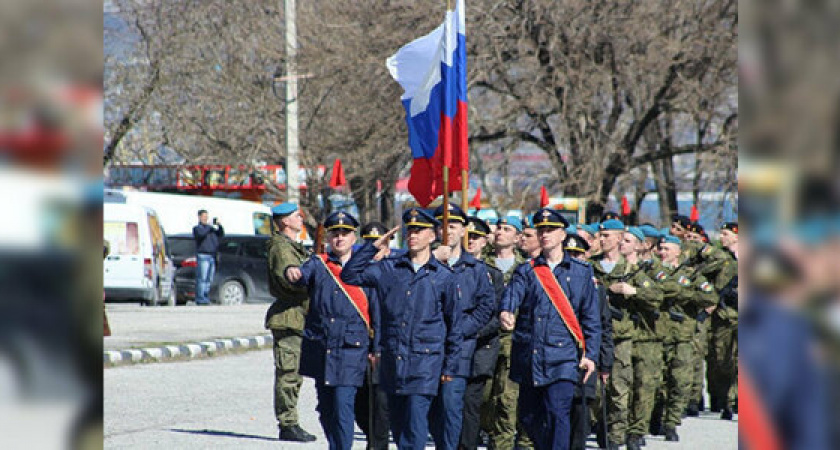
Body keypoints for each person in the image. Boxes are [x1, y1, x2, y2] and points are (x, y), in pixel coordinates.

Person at [341, 208, 462, 450]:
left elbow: (454, 327)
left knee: (414, 431)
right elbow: (350, 275)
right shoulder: (389, 269)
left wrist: (449, 367)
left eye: (419, 230)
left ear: (432, 236)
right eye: (410, 230)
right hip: (393, 363)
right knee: (398, 429)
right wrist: (373, 246)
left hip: (425, 364)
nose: (413, 235)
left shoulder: (444, 277)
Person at [500, 208, 601, 450]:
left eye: (551, 230)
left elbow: (591, 318)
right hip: (531, 354)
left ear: (563, 234)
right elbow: (512, 295)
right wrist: (506, 311)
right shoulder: (527, 270)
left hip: (563, 356)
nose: (545, 234)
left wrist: (591, 355)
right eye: (541, 229)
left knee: (558, 413)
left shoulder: (581, 272)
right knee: (528, 416)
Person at [285, 211, 376, 450]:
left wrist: (377, 347)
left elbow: (376, 310)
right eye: (335, 233)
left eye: (345, 233)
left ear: (354, 237)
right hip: (322, 348)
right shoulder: (319, 263)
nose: (339, 238)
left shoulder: (366, 268)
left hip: (350, 349)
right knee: (325, 409)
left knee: (342, 405)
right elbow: (301, 276)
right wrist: (292, 273)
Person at [429, 204, 496, 450]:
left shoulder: (475, 269)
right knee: (432, 413)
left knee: (452, 409)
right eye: (441, 226)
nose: (446, 231)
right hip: (428, 347)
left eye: (452, 226)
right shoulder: (427, 265)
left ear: (463, 230)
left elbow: (486, 306)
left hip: (458, 350)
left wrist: (460, 329)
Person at [590, 219, 661, 450]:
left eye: (607, 236)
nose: (601, 240)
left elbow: (656, 297)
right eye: (600, 235)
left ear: (620, 239)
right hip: (593, 335)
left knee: (619, 390)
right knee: (594, 391)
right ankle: (598, 427)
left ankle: (616, 438)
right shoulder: (590, 267)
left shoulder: (631, 270)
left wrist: (633, 291)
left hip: (620, 339)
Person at [649, 234, 717, 443]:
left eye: (667, 249)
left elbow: (711, 297)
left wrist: (684, 295)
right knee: (656, 380)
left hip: (682, 336)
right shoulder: (652, 272)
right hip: (657, 334)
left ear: (678, 251)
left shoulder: (692, 275)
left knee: (680, 382)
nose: (662, 252)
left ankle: (672, 423)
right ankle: (656, 418)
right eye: (660, 249)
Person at [265, 202, 317, 442]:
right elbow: (291, 277)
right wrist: (303, 275)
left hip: (300, 317)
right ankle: (288, 424)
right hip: (289, 318)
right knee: (288, 374)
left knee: (295, 374)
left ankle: (291, 422)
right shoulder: (281, 248)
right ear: (285, 221)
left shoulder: (292, 246)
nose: (301, 218)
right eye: (297, 215)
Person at [483, 215, 531, 450]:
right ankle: (488, 432)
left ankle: (504, 441)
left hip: (513, 339)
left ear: (517, 237)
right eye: (498, 228)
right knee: (484, 393)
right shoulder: (481, 263)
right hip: (485, 337)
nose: (500, 232)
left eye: (507, 229)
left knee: (508, 395)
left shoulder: (525, 267)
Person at [563, 233, 614, 450]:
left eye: (578, 254)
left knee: (581, 411)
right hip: (559, 355)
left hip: (586, 357)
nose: (574, 258)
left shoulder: (595, 287)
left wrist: (605, 362)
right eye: (569, 253)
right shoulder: (552, 282)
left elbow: (603, 326)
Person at [459, 216, 505, 450]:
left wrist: (471, 332)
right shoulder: (451, 269)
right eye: (468, 237)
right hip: (453, 348)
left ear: (484, 242)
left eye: (475, 237)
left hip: (479, 348)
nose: (471, 242)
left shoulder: (492, 275)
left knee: (471, 402)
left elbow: (497, 315)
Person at [620, 227, 664, 449]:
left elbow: (658, 295)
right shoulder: (615, 268)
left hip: (647, 337)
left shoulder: (650, 271)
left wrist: (635, 291)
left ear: (640, 245)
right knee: (620, 387)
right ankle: (617, 427)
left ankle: (637, 430)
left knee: (644, 386)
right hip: (621, 336)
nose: (622, 244)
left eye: (627, 241)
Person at [354, 220, 393, 449]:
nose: (375, 250)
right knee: (360, 406)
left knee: (381, 404)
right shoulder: (359, 274)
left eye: (379, 245)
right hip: (359, 348)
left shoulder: (394, 272)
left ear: (387, 247)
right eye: (370, 245)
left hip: (385, 349)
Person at [192, 209, 224, 305]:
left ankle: (206, 297)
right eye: (204, 217)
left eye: (207, 217)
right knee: (202, 278)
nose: (206, 219)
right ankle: (200, 298)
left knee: (209, 279)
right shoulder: (197, 228)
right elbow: (201, 235)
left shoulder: (211, 229)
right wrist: (209, 226)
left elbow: (221, 234)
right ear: (199, 217)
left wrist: (219, 225)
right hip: (203, 256)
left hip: (212, 256)